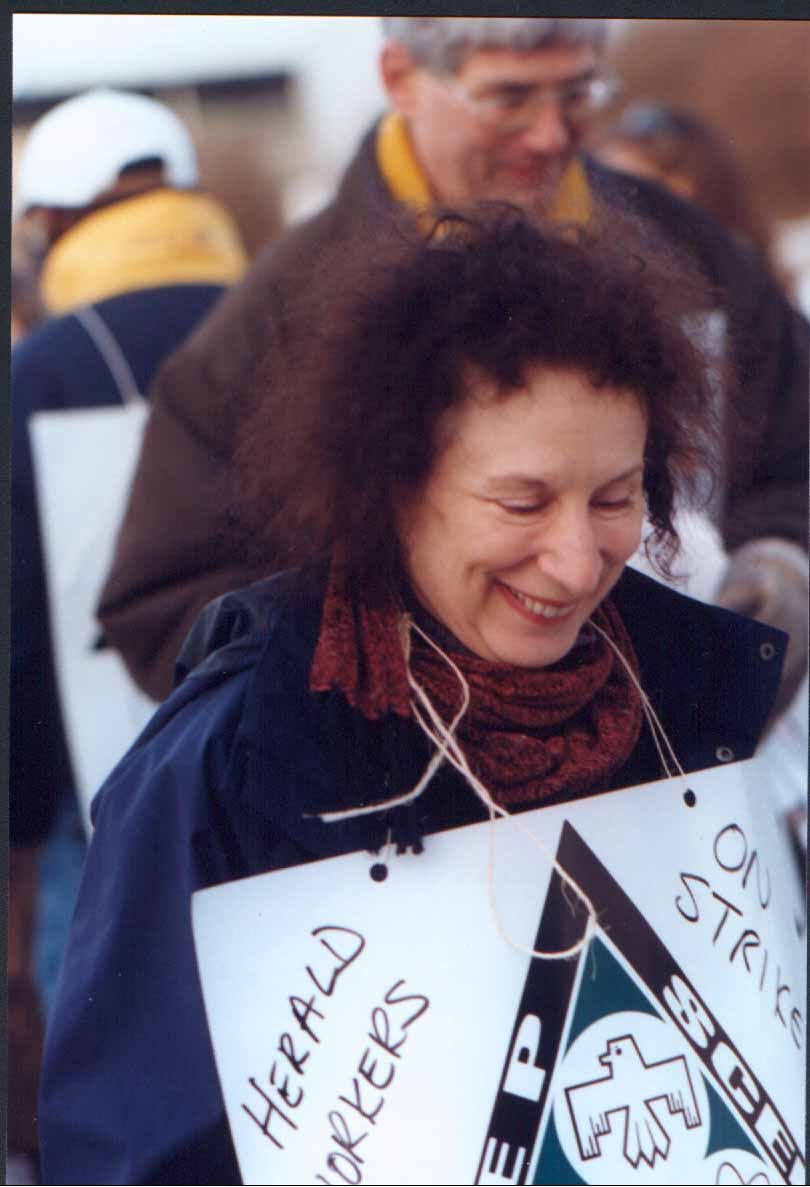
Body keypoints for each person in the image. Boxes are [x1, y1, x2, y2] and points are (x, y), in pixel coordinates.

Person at [40, 208, 786, 1185]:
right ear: (393, 484)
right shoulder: (238, 761)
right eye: (521, 502)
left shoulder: (690, 698)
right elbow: (131, 1148)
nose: (573, 560)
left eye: (614, 497)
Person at [97, 17, 808, 715]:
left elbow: (793, 444)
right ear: (401, 77)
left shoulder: (690, 252)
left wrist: (784, 557)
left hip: (694, 772)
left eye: (577, 95)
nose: (551, 134)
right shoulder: (275, 322)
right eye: (510, 99)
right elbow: (163, 602)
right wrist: (379, 667)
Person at [11, 88, 247, 1176]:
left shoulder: (41, 365)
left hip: (92, 806)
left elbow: (18, 628)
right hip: (289, 763)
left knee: (115, 1101)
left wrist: (17, 822)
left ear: (48, 223)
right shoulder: (291, 317)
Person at [593, 102, 773, 262]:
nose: (616, 205)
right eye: (606, 186)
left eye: (633, 190)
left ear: (684, 185)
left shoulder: (736, 267)